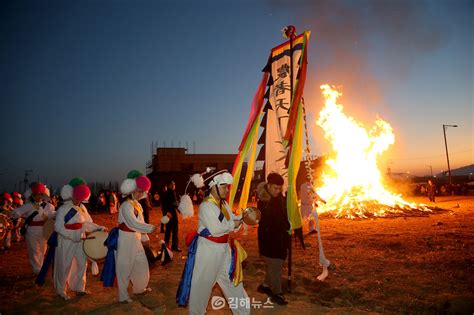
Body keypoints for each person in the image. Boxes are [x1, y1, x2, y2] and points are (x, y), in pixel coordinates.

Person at [177, 171, 250, 315]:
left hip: (224, 250)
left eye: (227, 187)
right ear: (214, 187)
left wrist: (244, 216)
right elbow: (216, 229)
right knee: (202, 288)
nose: (227, 190)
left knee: (233, 282)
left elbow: (232, 221)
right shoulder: (206, 206)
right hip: (208, 252)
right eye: (224, 187)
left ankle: (243, 312)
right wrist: (233, 224)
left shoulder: (223, 204)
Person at [54, 178, 106, 300]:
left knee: (82, 264)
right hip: (66, 240)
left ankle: (79, 288)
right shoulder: (63, 209)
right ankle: (61, 291)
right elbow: (58, 227)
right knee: (64, 265)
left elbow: (87, 223)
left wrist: (99, 228)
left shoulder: (82, 208)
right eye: (77, 197)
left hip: (81, 239)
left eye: (80, 198)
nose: (78, 200)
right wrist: (73, 235)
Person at [116, 170, 156, 303]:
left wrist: (145, 239)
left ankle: (139, 288)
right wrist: (150, 228)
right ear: (132, 189)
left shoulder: (137, 205)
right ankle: (123, 296)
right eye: (139, 191)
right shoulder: (125, 206)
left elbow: (141, 223)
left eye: (142, 191)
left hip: (137, 239)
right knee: (124, 267)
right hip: (126, 239)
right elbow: (133, 223)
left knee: (142, 264)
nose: (141, 193)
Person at [257, 173, 290, 305]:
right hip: (269, 240)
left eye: (279, 189)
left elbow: (282, 214)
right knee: (275, 265)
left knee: (274, 264)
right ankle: (277, 293)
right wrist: (287, 225)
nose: (278, 191)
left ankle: (265, 286)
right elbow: (274, 221)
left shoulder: (277, 198)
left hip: (279, 238)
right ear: (269, 186)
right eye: (275, 188)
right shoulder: (264, 201)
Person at [11, 182, 56, 275]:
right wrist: (15, 214)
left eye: (40, 194)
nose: (38, 196)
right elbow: (17, 212)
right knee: (34, 250)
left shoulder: (48, 206)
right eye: (36, 194)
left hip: (44, 231)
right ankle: (37, 269)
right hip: (31, 231)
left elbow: (52, 215)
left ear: (43, 195)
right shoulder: (28, 205)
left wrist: (59, 213)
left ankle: (40, 267)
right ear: (32, 195)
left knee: (43, 250)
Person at [162, 180, 180, 251]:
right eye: (173, 184)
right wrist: (179, 209)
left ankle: (166, 246)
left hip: (167, 214)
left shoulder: (165, 193)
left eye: (174, 184)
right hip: (172, 214)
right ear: (169, 185)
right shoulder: (172, 192)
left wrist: (166, 213)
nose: (174, 186)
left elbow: (164, 204)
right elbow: (174, 203)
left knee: (168, 230)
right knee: (175, 230)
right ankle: (174, 246)